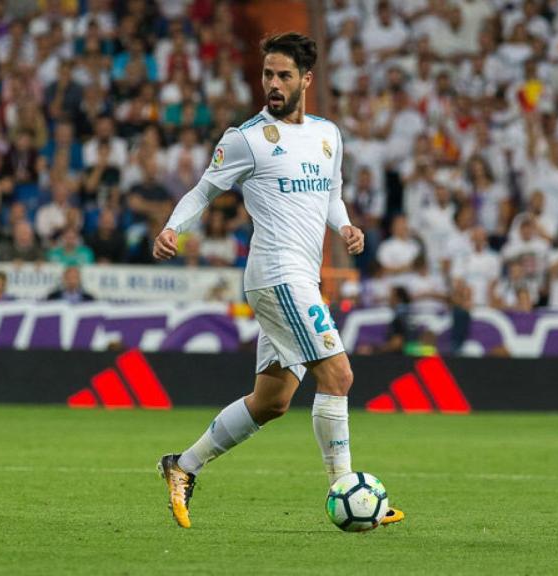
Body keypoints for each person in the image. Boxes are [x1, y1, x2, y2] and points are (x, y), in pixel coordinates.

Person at [152, 33, 402, 529]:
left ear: (306, 80)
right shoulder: (246, 138)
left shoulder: (328, 134)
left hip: (300, 278)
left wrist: (346, 226)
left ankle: (182, 466)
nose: (273, 83)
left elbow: (330, 194)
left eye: (284, 75)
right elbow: (203, 192)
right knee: (339, 376)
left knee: (272, 401)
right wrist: (171, 228)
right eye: (268, 74)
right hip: (278, 276)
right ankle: (346, 492)